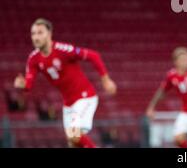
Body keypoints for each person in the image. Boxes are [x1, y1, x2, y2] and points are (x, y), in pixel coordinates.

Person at [13, 18, 117, 148]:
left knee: (74, 134)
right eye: (33, 33)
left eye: (40, 33)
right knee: (73, 143)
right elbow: (28, 84)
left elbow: (93, 55)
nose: (36, 37)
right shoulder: (33, 59)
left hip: (85, 97)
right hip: (68, 104)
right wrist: (22, 85)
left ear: (49, 34)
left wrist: (105, 79)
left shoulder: (63, 50)